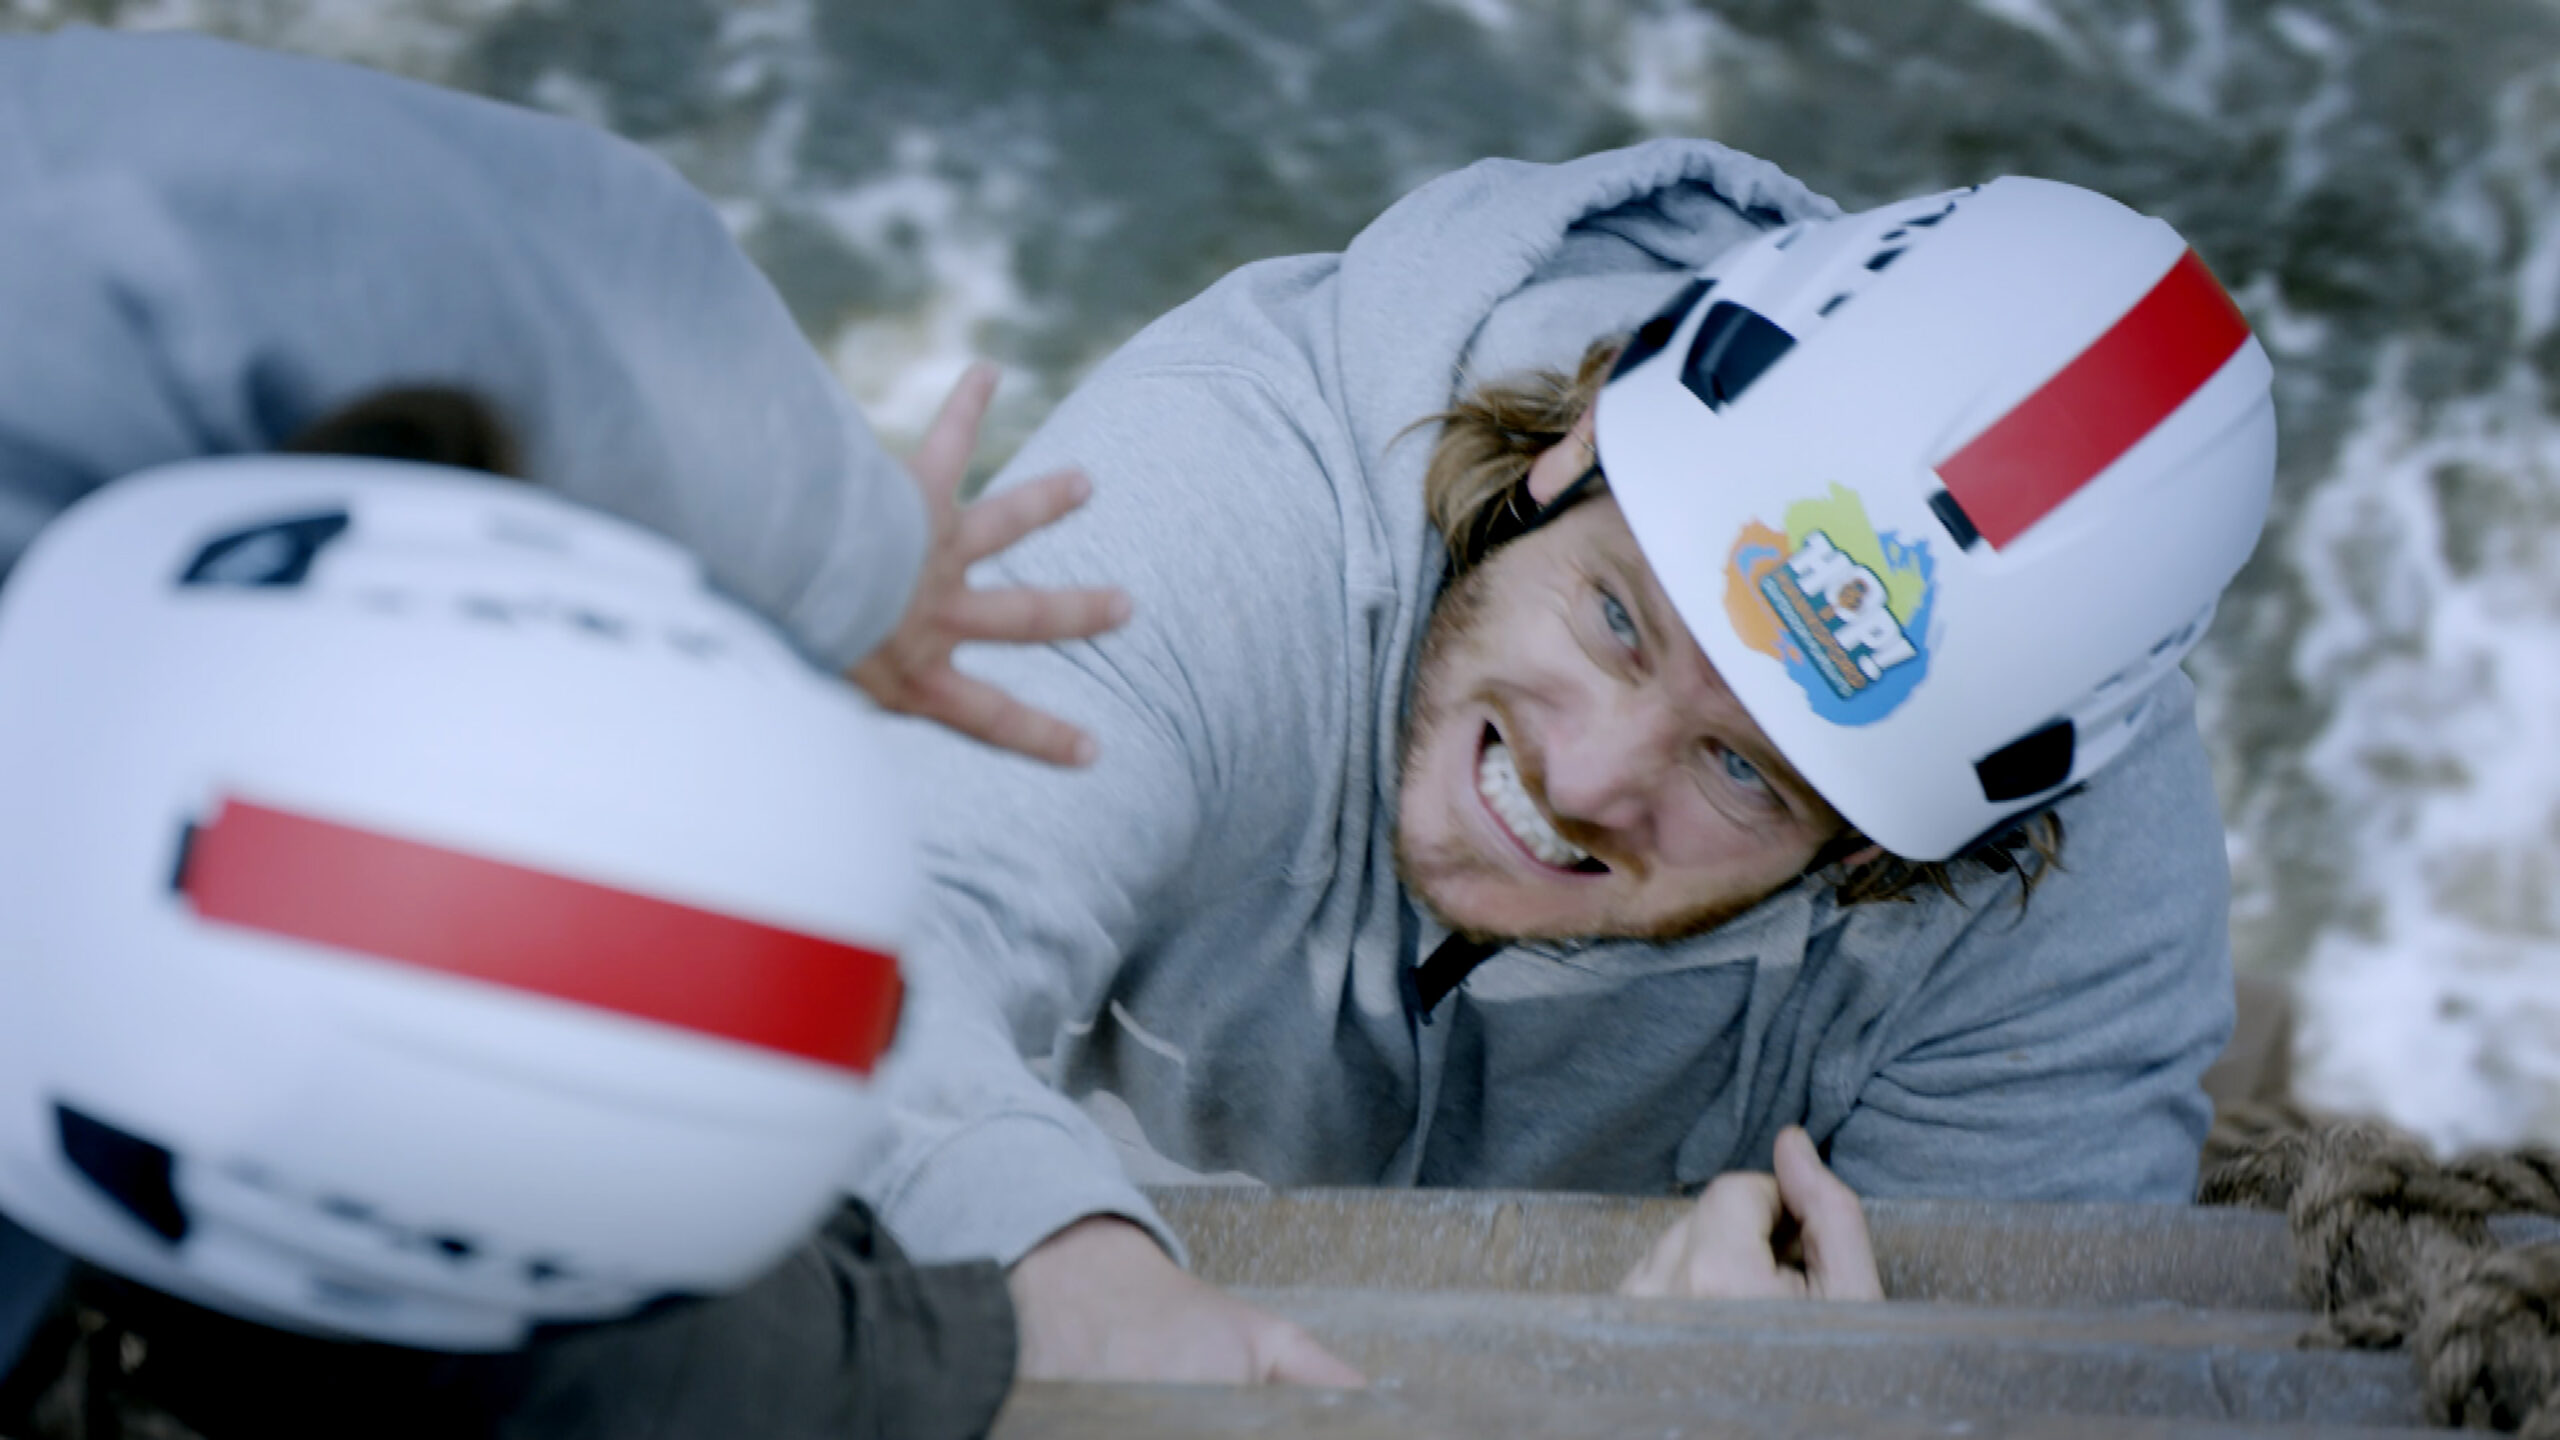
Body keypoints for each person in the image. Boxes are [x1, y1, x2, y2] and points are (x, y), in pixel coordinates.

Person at [856, 152, 2275, 1382]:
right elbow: (843, 929)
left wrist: (1793, 1406)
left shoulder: (2073, 915)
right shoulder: (1240, 497)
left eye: (1744, 771)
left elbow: (2031, 1382)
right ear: (1582, 441)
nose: (1589, 775)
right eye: (1618, 617)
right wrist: (1058, 1256)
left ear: (1875, 855)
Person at [0, 26, 1129, 1440]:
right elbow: (551, 302)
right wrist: (870, 567)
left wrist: (865, 564)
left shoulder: (91, 269)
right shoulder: (105, 257)